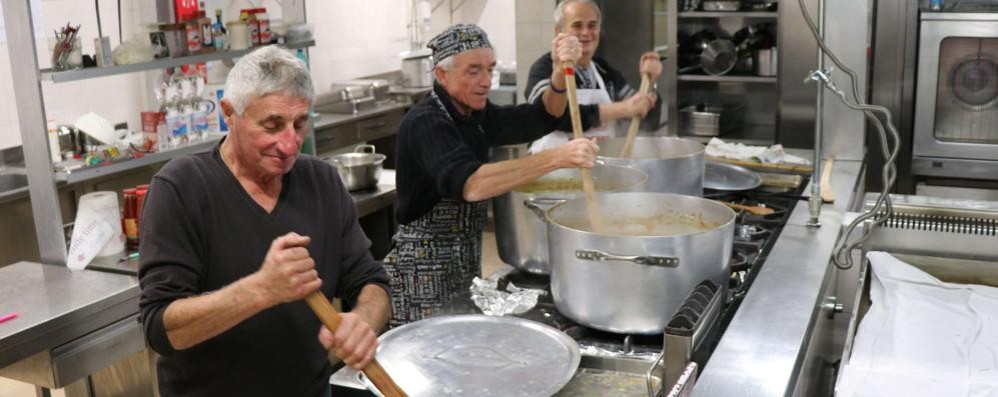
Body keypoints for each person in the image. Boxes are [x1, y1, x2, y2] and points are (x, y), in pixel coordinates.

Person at [138, 46, 390, 397]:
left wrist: (363, 322)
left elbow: (371, 281)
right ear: (229, 113)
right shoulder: (181, 188)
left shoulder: (322, 182)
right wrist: (261, 289)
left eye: (300, 124)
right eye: (272, 125)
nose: (290, 145)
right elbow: (161, 330)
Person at [385, 24, 647, 327]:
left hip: (461, 264)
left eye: (489, 69)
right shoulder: (426, 122)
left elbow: (541, 117)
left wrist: (560, 77)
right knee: (425, 360)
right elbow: (472, 184)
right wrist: (558, 157)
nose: (486, 81)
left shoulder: (474, 115)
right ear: (441, 75)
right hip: (420, 273)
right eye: (473, 71)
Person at [525, 0, 663, 153]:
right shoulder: (544, 70)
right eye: (577, 25)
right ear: (559, 32)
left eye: (592, 25)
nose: (585, 33)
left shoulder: (605, 73)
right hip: (553, 173)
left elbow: (649, 120)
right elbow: (554, 117)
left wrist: (650, 82)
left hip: (600, 170)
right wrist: (624, 108)